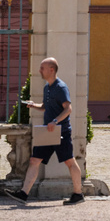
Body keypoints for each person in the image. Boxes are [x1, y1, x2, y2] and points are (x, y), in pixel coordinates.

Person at [9, 57, 85, 206]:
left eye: (42, 68)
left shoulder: (61, 87)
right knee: (34, 160)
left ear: (51, 70)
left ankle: (78, 194)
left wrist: (55, 121)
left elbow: (68, 109)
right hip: (47, 132)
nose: (39, 71)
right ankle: (23, 194)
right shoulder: (47, 87)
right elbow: (46, 106)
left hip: (61, 131)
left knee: (70, 161)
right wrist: (34, 105)